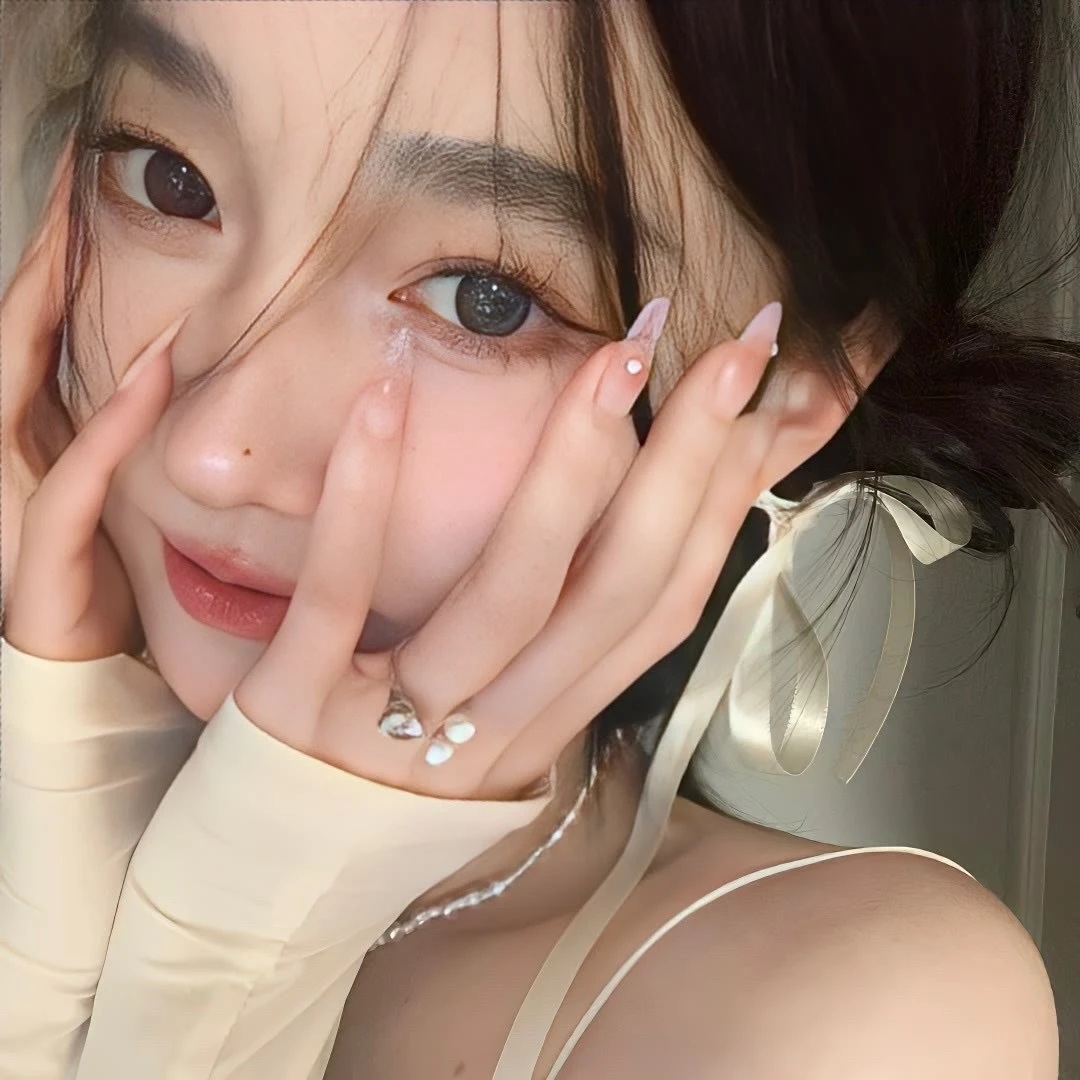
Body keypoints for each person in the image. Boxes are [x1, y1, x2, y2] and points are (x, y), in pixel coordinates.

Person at [0, 2, 1076, 1077]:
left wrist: (230, 949)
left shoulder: (844, 1023)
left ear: (785, 393)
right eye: (170, 182)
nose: (212, 452)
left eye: (486, 301)